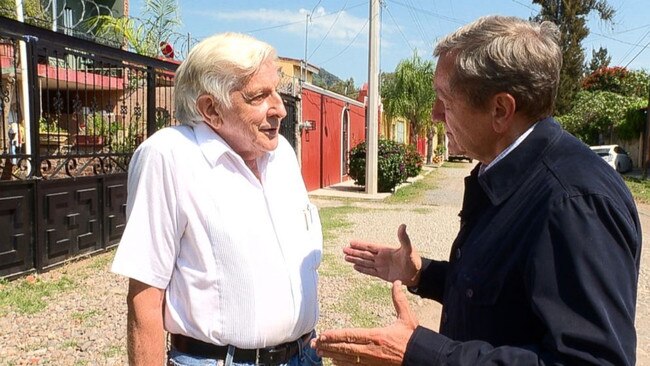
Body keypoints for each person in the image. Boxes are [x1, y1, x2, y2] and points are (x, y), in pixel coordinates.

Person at [312, 15, 641, 365]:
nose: (437, 115)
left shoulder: (573, 202)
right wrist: (422, 273)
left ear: (500, 110)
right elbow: (502, 296)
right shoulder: (507, 172)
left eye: (446, 100)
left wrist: (419, 352)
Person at [111, 32, 323, 366]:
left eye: (277, 91)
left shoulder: (281, 153)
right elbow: (145, 300)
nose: (280, 108)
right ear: (211, 109)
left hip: (303, 356)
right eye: (259, 96)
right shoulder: (170, 155)